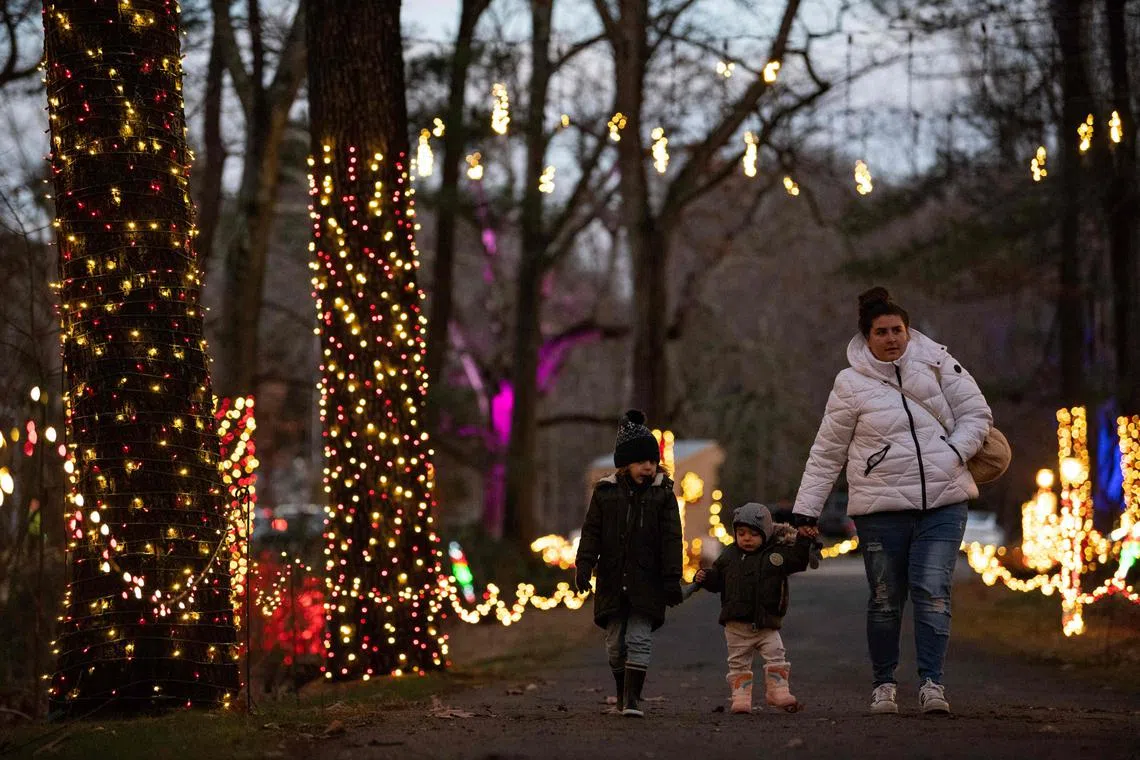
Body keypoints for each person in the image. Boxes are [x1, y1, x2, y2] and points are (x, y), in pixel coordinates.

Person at [792, 287, 993, 716]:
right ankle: (884, 685)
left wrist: (953, 452)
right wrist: (805, 511)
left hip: (944, 501)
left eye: (897, 329)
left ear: (908, 330)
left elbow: (977, 413)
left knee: (933, 590)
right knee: (885, 597)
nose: (891, 338)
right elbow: (827, 451)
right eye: (881, 332)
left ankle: (932, 684)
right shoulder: (850, 384)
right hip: (880, 510)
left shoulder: (938, 362)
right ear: (867, 338)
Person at [574, 410, 684, 717]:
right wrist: (584, 565)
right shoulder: (605, 494)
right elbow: (591, 532)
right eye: (640, 461)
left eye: (652, 461)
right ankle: (622, 692)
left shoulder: (662, 495)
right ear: (625, 464)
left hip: (646, 581)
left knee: (638, 638)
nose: (648, 467)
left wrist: (671, 578)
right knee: (614, 645)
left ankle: (634, 699)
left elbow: (672, 539)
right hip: (611, 580)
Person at [692, 502, 815, 714]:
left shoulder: (775, 555)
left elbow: (798, 561)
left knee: (776, 654)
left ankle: (778, 691)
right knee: (738, 663)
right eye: (741, 533)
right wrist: (705, 578)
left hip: (767, 623)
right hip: (736, 625)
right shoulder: (729, 556)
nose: (746, 538)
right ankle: (741, 698)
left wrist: (804, 540)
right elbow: (718, 581)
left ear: (766, 534)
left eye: (753, 534)